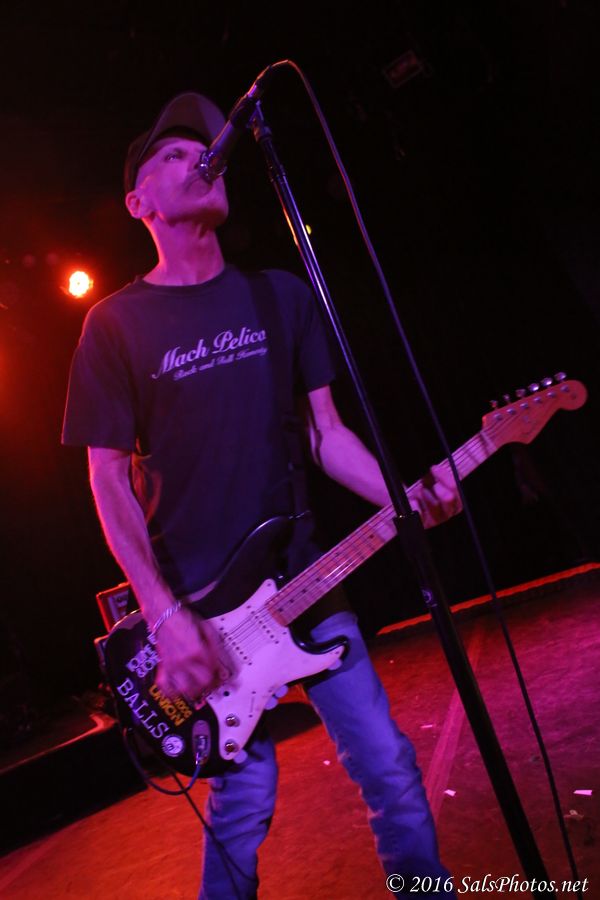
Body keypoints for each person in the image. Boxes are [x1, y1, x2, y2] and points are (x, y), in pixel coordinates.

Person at [62, 91, 461, 898]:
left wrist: (404, 495)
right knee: (244, 805)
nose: (200, 160)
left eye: (205, 151)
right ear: (139, 203)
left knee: (387, 765)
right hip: (199, 609)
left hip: (305, 574)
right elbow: (106, 479)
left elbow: (326, 434)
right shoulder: (114, 323)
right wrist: (165, 616)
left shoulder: (280, 294)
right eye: (173, 155)